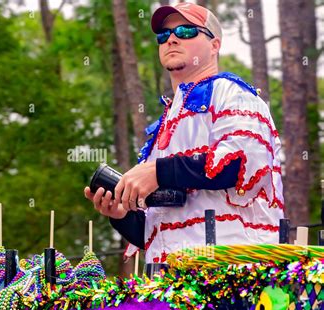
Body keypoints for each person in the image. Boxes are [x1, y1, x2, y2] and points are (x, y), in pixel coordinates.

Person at [84, 2, 284, 263]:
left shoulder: (231, 92)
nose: (173, 39)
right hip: (172, 284)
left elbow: (238, 164)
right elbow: (158, 230)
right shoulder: (166, 121)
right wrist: (121, 214)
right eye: (164, 35)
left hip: (233, 274)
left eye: (187, 31)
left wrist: (158, 171)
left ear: (215, 45)